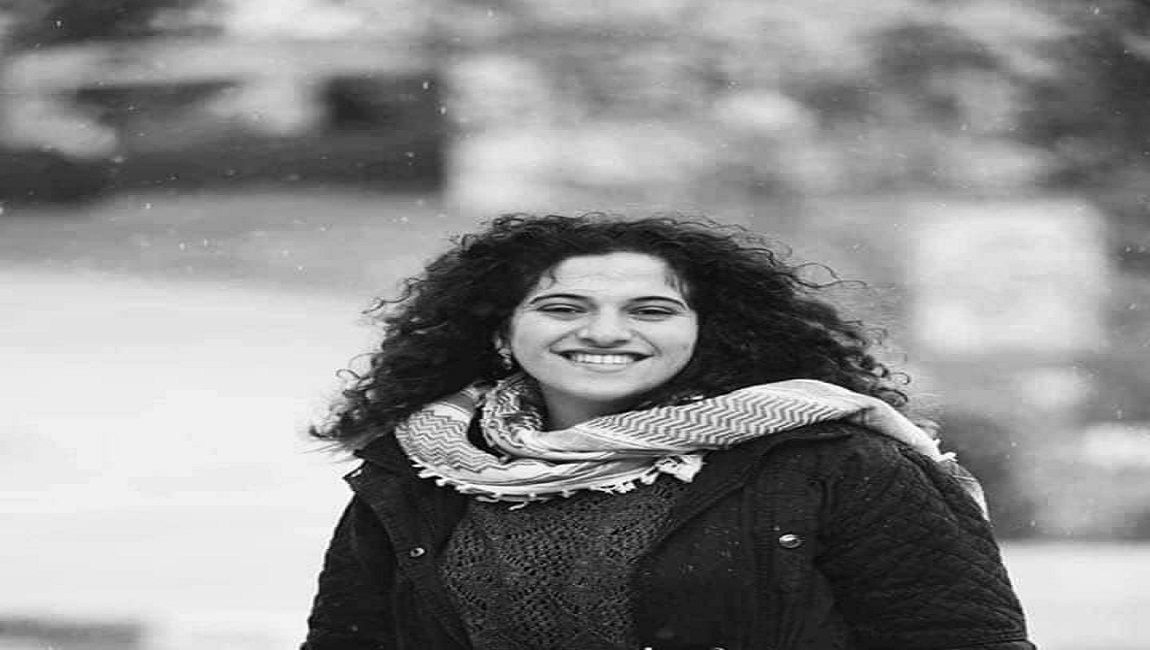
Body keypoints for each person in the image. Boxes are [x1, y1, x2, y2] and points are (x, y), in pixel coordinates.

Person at [301, 213, 1035, 650]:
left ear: (705, 334)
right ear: (501, 332)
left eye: (650, 311)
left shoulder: (836, 463)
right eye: (563, 308)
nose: (604, 333)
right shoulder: (426, 467)